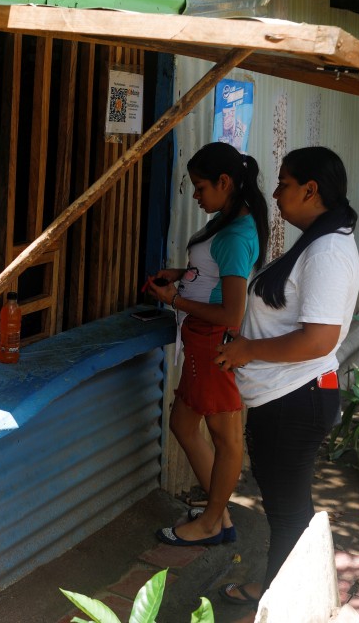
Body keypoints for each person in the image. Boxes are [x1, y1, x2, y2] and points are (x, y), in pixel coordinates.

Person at [213, 146, 359, 607]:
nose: (275, 194)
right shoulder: (319, 241)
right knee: (286, 506)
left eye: (284, 183)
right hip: (287, 398)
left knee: (288, 509)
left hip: (295, 399)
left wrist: (247, 350)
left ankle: (284, 602)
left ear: (310, 189)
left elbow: (319, 340)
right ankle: (285, 593)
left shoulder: (328, 250)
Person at [146, 142, 269, 547]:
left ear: (224, 182)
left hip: (214, 342)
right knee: (183, 423)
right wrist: (184, 272)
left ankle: (213, 522)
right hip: (201, 341)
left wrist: (175, 300)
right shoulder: (228, 224)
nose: (195, 195)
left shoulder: (234, 234)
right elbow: (216, 276)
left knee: (227, 437)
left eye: (200, 187)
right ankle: (220, 514)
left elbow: (232, 312)